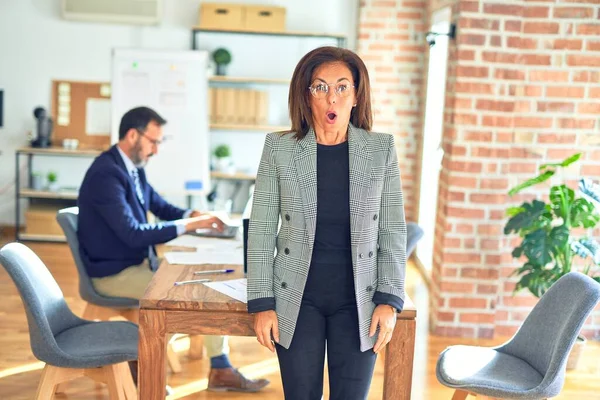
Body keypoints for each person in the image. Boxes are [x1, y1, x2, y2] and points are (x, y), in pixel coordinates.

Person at [247, 46, 407, 400]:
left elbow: (393, 229)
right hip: (297, 298)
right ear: (306, 96)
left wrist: (389, 300)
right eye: (320, 87)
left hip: (360, 299)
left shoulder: (380, 149)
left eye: (341, 87)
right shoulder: (280, 148)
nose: (331, 97)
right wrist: (261, 302)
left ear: (356, 95)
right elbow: (260, 229)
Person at [78, 106, 269, 392]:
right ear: (133, 135)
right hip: (113, 274)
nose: (155, 150)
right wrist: (189, 226)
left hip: (136, 265)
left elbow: (161, 207)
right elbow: (132, 234)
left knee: (206, 282)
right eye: (153, 142)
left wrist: (193, 215)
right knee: (192, 293)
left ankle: (219, 368)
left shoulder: (131, 168)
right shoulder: (106, 175)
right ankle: (154, 366)